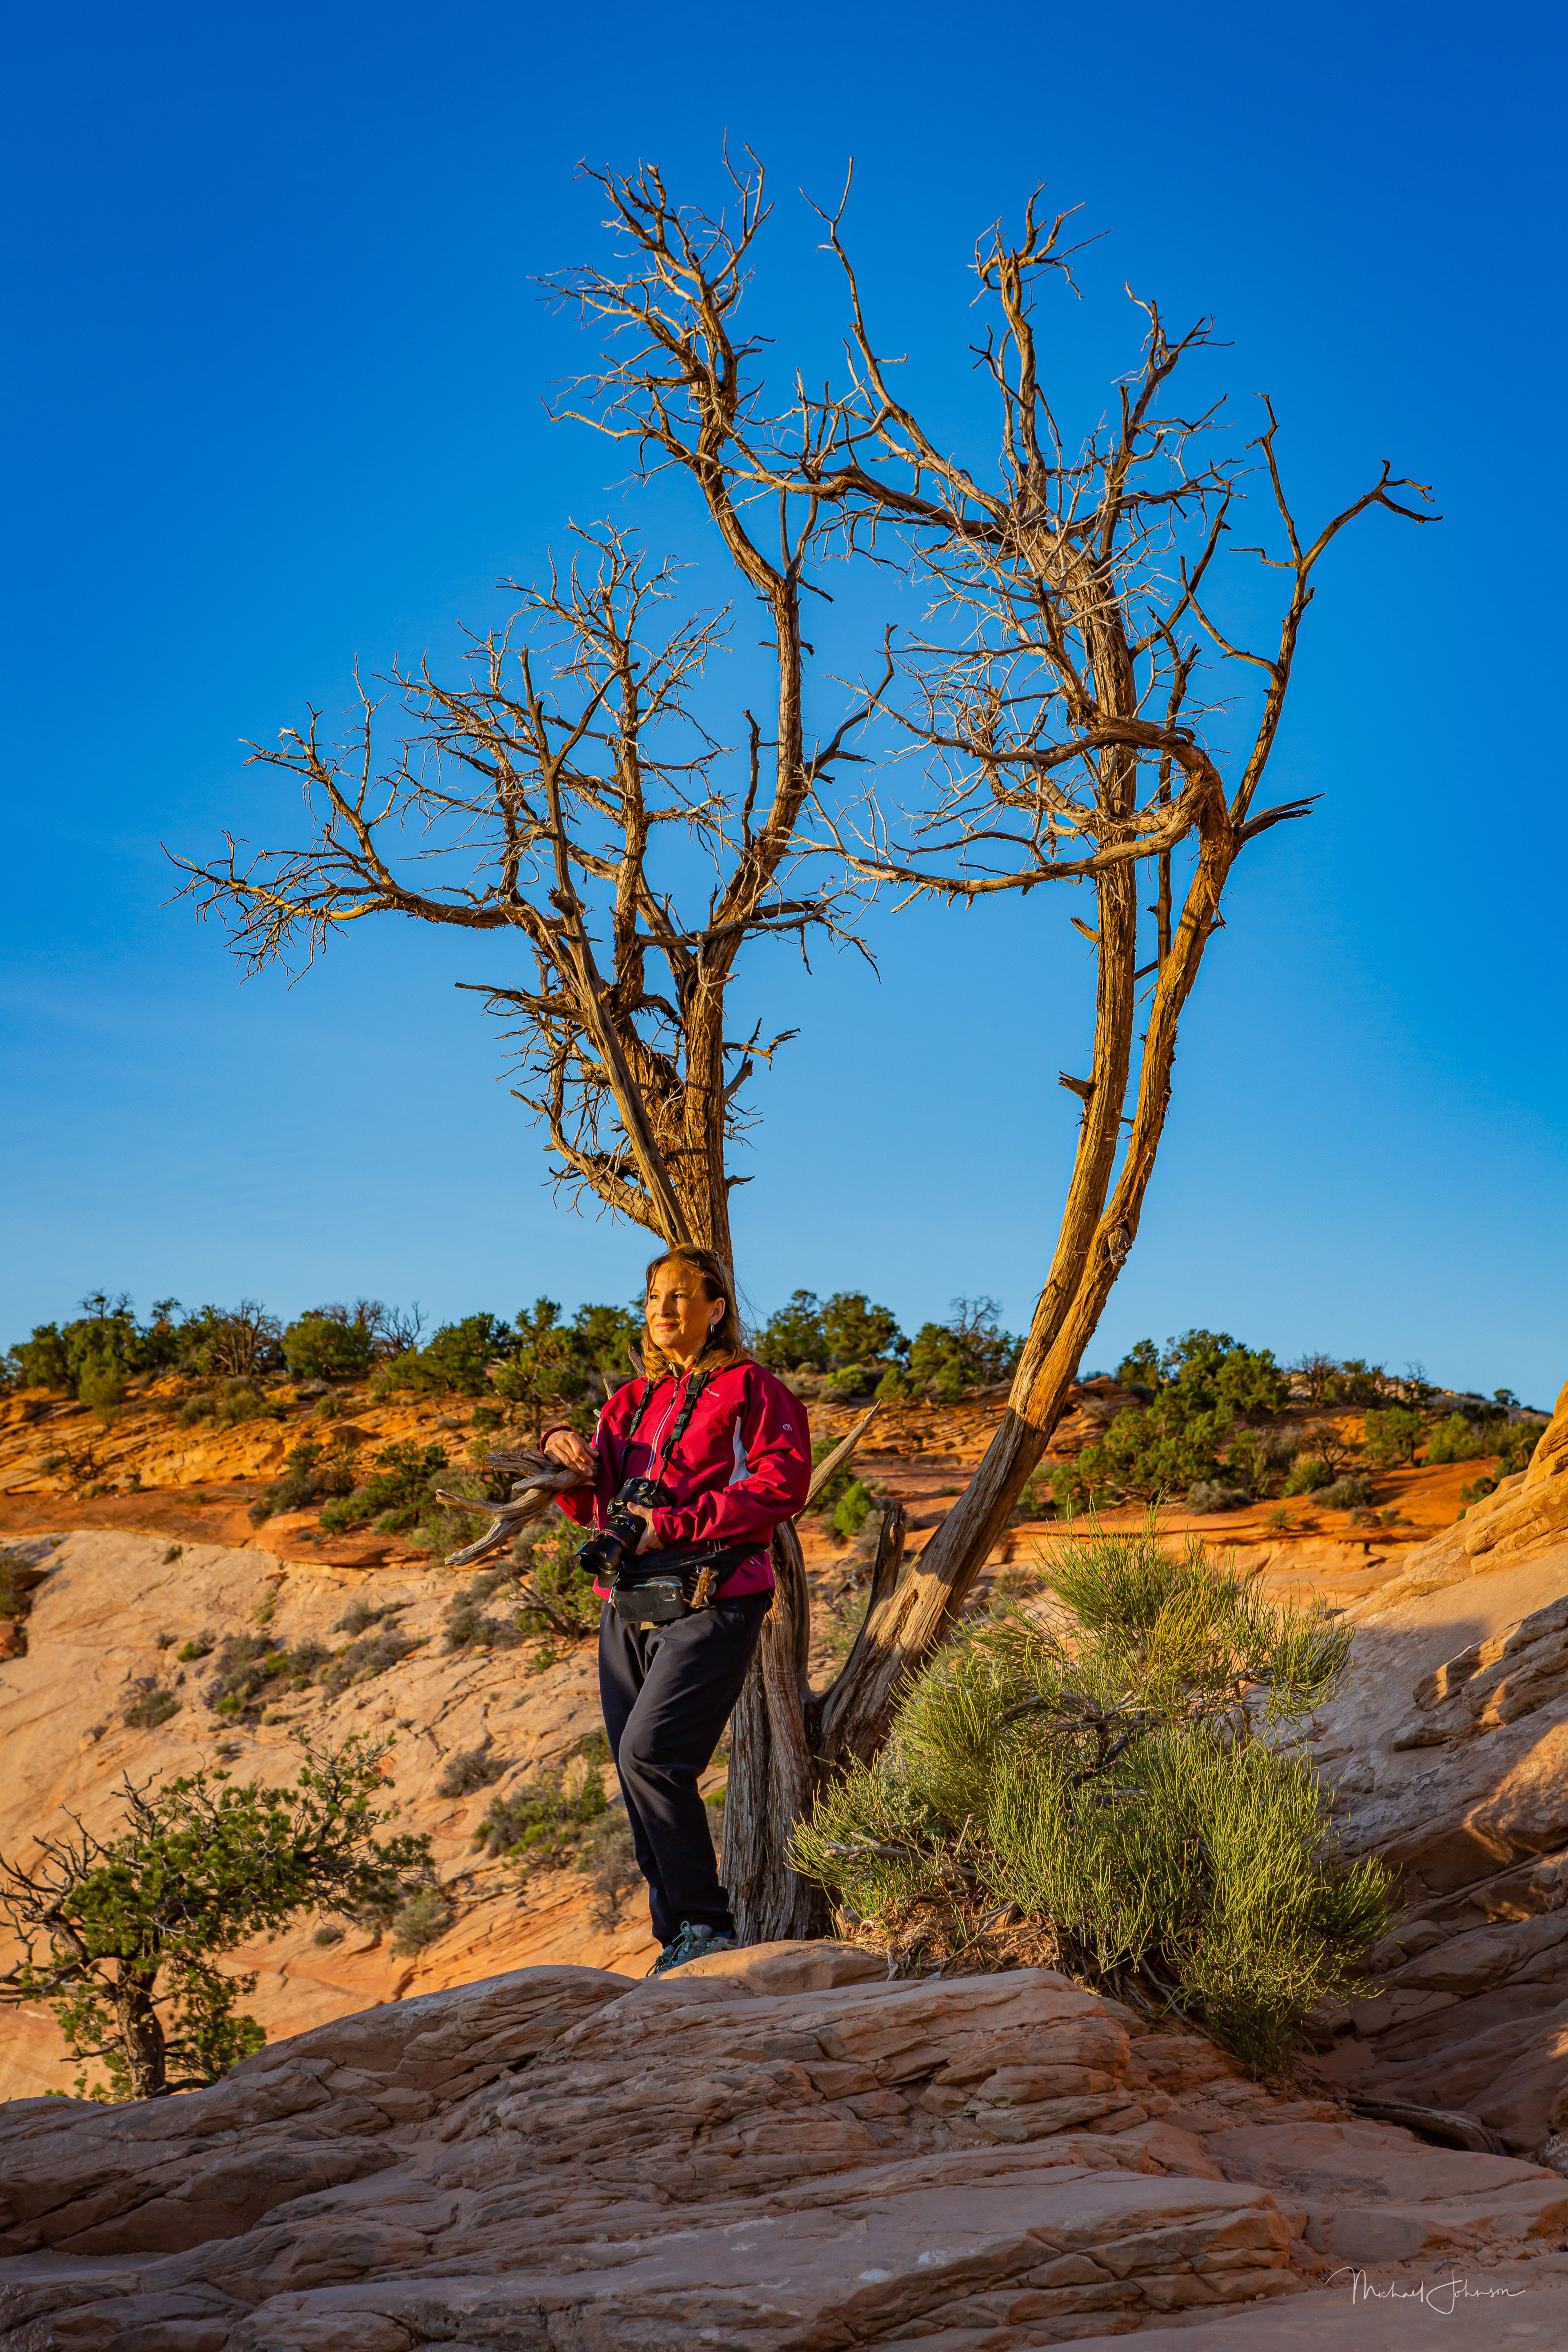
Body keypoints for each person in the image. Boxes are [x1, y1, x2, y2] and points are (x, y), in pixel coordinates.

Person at [541, 1247, 811, 1974]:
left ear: (717, 1309)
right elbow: (597, 1511)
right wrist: (566, 1454)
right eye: (655, 1296)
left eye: (681, 1296)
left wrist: (676, 1524)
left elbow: (784, 1485)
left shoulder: (754, 1389)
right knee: (635, 1773)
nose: (663, 1310)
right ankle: (679, 1944)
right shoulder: (629, 1403)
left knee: (653, 1756)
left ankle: (706, 1926)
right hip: (628, 1602)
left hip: (715, 1593)